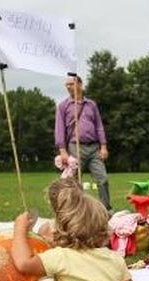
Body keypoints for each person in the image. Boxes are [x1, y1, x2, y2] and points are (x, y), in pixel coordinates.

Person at [55, 75, 111, 211]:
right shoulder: (63, 106)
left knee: (102, 179)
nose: (68, 87)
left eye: (71, 84)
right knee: (72, 183)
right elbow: (59, 128)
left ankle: (106, 211)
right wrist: (62, 150)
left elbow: (99, 126)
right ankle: (71, 211)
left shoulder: (91, 104)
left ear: (80, 84)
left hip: (94, 148)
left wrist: (103, 146)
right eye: (66, 85)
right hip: (75, 148)